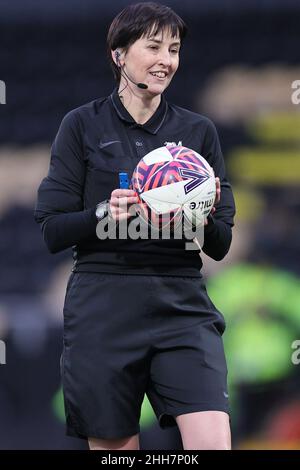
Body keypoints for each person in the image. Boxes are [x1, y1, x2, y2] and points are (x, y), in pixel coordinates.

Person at [34, 2, 235, 450]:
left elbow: (220, 244)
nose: (167, 59)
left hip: (181, 303)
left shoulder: (199, 132)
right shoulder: (81, 126)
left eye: (175, 49)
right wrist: (104, 213)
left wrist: (196, 216)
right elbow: (51, 230)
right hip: (103, 307)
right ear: (118, 54)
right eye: (154, 46)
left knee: (213, 442)